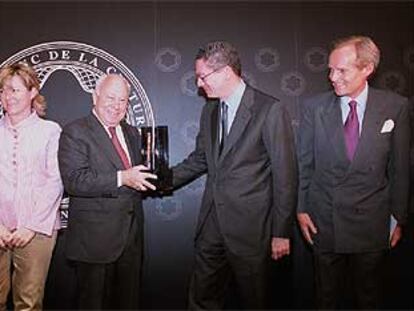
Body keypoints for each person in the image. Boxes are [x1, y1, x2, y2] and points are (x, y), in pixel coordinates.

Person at [172, 41, 298, 309]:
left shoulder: (269, 109)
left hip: (253, 231)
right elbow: (200, 160)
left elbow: (286, 175)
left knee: (255, 301)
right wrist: (159, 181)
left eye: (202, 76)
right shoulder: (210, 110)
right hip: (211, 226)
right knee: (202, 299)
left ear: (226, 72)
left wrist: (281, 232)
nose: (198, 84)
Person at [297, 35, 410, 309]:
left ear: (367, 69)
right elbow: (304, 164)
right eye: (330, 70)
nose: (333, 77)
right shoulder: (314, 108)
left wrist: (398, 217)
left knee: (369, 296)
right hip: (325, 219)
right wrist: (301, 210)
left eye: (341, 70)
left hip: (372, 221)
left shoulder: (395, 106)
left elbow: (401, 168)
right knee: (326, 297)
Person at [58, 73, 156, 309]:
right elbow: (75, 181)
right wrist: (123, 177)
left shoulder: (133, 133)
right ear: (95, 96)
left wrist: (155, 178)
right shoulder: (75, 131)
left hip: (130, 241)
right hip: (94, 244)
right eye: (111, 98)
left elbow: (140, 177)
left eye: (122, 100)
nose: (116, 105)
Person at [0, 63, 63, 310]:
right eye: (3, 91)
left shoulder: (50, 131)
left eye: (14, 90)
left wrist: (31, 226)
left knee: (28, 302)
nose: (8, 97)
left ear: (33, 92)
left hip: (37, 229)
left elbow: (55, 181)